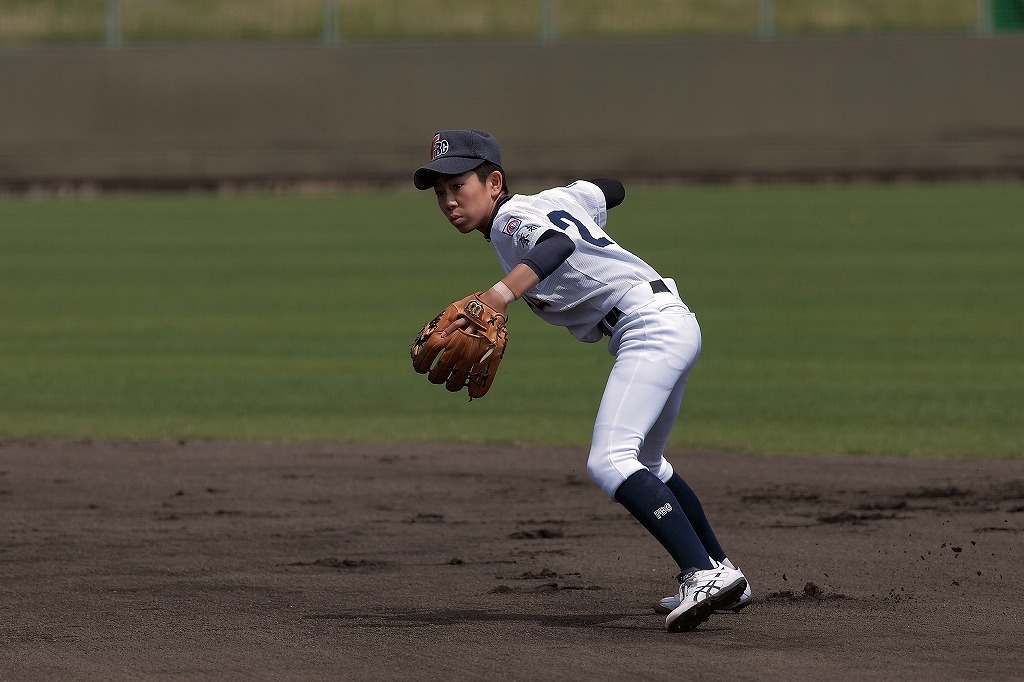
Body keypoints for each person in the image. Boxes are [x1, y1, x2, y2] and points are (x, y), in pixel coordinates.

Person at [412, 129, 751, 632]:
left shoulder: (508, 223)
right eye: (439, 191)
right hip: (670, 317)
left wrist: (497, 297)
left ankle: (701, 572)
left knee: (610, 460)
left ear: (494, 181)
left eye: (458, 185)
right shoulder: (554, 200)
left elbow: (557, 243)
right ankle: (722, 572)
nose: (448, 201)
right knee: (648, 462)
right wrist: (576, 197)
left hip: (648, 327)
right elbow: (610, 188)